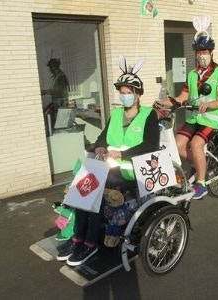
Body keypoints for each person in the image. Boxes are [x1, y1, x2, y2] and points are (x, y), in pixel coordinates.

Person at [56, 56, 160, 266]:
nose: (125, 97)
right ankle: (77, 238)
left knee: (92, 190)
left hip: (131, 170)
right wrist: (100, 146)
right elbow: (103, 136)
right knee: (83, 185)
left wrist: (122, 154)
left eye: (129, 93)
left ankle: (90, 244)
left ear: (138, 94)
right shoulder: (115, 114)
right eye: (122, 93)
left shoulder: (149, 115)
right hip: (109, 167)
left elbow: (150, 146)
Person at [159, 17, 218, 200]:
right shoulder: (192, 75)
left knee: (196, 144)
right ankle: (202, 164)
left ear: (211, 52)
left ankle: (201, 182)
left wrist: (209, 105)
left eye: (204, 51)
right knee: (177, 145)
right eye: (198, 52)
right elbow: (182, 97)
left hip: (212, 119)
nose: (201, 55)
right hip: (194, 118)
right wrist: (164, 102)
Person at [41, 58, 70, 129]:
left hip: (61, 104)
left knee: (61, 124)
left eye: (50, 68)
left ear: (54, 67)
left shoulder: (61, 77)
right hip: (58, 104)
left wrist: (44, 92)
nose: (50, 70)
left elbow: (58, 91)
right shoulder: (56, 77)